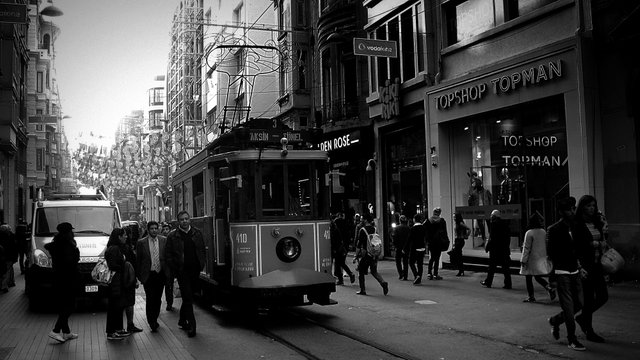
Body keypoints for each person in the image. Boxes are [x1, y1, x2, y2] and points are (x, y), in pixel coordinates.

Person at [547, 197, 586, 351]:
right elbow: (551, 255)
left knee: (579, 304)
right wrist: (552, 278)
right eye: (569, 209)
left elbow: (578, 250)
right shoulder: (554, 229)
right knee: (569, 308)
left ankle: (556, 320)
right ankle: (572, 338)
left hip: (574, 270)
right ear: (561, 212)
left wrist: (580, 266)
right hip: (561, 271)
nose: (572, 211)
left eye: (573, 208)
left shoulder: (576, 226)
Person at [165, 211, 206, 337]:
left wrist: (201, 265)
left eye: (186, 219)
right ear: (178, 221)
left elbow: (202, 249)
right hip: (182, 272)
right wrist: (176, 269)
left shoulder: (197, 233)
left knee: (189, 297)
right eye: (182, 219)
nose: (184, 221)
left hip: (195, 271)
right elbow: (168, 255)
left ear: (189, 220)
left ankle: (182, 320)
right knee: (188, 298)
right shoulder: (173, 236)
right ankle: (192, 326)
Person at [573, 195, 608, 343]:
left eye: (593, 205)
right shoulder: (577, 224)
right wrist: (593, 244)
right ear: (582, 207)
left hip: (597, 264)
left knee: (603, 296)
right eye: (588, 206)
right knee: (588, 299)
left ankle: (582, 318)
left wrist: (604, 225)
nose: (592, 208)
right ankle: (589, 330)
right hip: (585, 266)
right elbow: (577, 244)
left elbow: (604, 240)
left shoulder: (596, 223)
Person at [44, 222, 80, 343]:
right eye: (71, 231)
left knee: (64, 305)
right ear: (68, 233)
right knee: (70, 306)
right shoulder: (66, 246)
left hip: (60, 280)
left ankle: (66, 332)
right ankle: (55, 330)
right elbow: (70, 263)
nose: (73, 233)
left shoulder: (58, 245)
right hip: (67, 280)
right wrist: (76, 252)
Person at [136, 221, 167, 332]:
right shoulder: (141, 243)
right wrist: (139, 276)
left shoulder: (163, 240)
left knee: (158, 299)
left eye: (156, 228)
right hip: (148, 275)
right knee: (150, 298)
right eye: (152, 228)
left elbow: (167, 257)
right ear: (148, 230)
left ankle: (155, 317)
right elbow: (138, 260)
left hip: (160, 274)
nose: (154, 230)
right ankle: (151, 321)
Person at [520, 213, 556, 303]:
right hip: (541, 257)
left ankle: (531, 296)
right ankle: (548, 287)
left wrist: (523, 260)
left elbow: (526, 248)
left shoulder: (529, 233)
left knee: (528, 277)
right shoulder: (543, 231)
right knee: (538, 277)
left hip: (531, 258)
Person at [104, 228, 131, 340]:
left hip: (118, 282)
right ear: (118, 237)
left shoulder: (116, 248)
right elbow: (112, 265)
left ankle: (118, 329)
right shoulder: (114, 249)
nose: (126, 237)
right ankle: (111, 332)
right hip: (115, 283)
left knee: (119, 306)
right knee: (114, 307)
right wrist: (124, 267)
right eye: (124, 235)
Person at [354, 213, 388, 295]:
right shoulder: (374, 229)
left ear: (365, 220)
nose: (361, 220)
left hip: (366, 254)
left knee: (360, 270)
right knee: (374, 271)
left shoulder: (363, 230)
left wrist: (356, 255)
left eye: (362, 218)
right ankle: (383, 283)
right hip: (374, 254)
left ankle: (363, 290)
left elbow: (359, 244)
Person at [481, 210, 512, 289]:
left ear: (494, 217)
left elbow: (493, 238)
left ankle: (488, 281)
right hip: (504, 249)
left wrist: (488, 247)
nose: (491, 217)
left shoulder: (494, 224)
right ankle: (508, 283)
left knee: (491, 267)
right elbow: (508, 238)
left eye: (491, 216)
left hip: (495, 250)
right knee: (505, 268)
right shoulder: (505, 225)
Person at [121, 229, 142, 333]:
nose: (126, 237)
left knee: (130, 302)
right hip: (125, 280)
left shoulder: (127, 247)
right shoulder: (118, 249)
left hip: (128, 280)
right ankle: (124, 326)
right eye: (124, 235)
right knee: (127, 302)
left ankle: (129, 324)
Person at [331, 212, 355, 285]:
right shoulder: (343, 226)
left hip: (338, 248)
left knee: (339, 264)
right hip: (343, 247)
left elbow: (335, 241)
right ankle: (346, 276)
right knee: (341, 263)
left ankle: (342, 278)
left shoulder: (335, 230)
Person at [426, 207, 449, 280]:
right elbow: (444, 232)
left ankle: (429, 273)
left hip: (431, 242)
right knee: (437, 258)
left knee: (432, 257)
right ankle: (435, 274)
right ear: (439, 213)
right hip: (439, 242)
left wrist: (427, 240)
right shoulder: (442, 221)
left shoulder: (428, 220)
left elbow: (425, 231)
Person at [405, 213, 427, 285]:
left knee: (411, 262)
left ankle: (416, 275)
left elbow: (409, 239)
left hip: (415, 248)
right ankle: (419, 277)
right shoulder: (423, 228)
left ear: (414, 220)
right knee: (420, 264)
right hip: (422, 247)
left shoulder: (413, 229)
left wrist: (405, 248)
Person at [392, 215, 410, 280]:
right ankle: (405, 275)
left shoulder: (397, 228)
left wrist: (395, 245)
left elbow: (394, 237)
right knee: (405, 262)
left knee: (398, 261)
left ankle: (401, 274)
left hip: (399, 247)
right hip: (406, 247)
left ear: (400, 221)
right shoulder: (408, 228)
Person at [0, 224, 17, 292]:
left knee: (7, 270)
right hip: (8, 256)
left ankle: (11, 282)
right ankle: (4, 286)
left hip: (4, 256)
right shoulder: (11, 236)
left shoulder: (8, 236)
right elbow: (14, 248)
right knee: (7, 270)